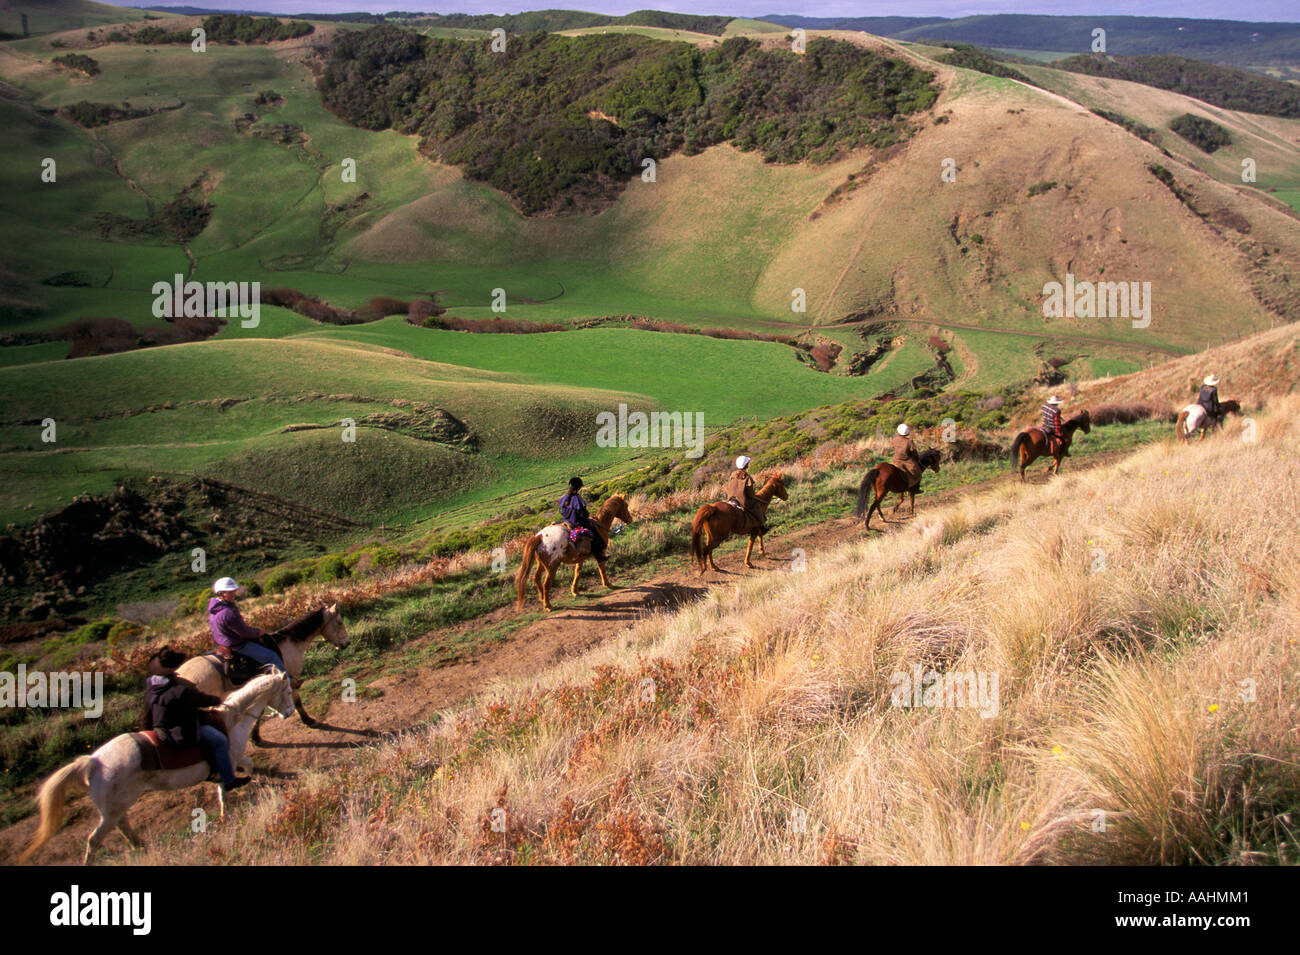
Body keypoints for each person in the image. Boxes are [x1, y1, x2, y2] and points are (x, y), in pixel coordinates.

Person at [143, 647, 250, 792]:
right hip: (178, 729)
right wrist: (216, 700)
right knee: (220, 741)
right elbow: (201, 700)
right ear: (172, 669)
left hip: (159, 727)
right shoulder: (179, 690)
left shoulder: (151, 684)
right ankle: (227, 779)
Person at [208, 577, 287, 681]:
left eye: (233, 591)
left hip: (223, 644)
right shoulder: (228, 612)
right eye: (229, 592)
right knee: (272, 657)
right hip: (237, 645)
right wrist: (259, 632)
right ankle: (287, 683)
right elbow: (244, 632)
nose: (233, 594)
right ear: (221, 593)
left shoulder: (214, 610)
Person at [559, 477, 610, 569]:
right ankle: (599, 556)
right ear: (578, 488)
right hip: (577, 523)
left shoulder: (565, 498)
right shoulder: (577, 498)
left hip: (566, 522)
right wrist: (586, 516)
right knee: (595, 534)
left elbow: (562, 512)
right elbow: (583, 514)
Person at [726, 456, 770, 534]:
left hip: (730, 498)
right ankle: (762, 526)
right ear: (746, 465)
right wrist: (754, 497)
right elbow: (750, 494)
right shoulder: (748, 478)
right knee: (757, 507)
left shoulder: (733, 474)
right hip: (741, 501)